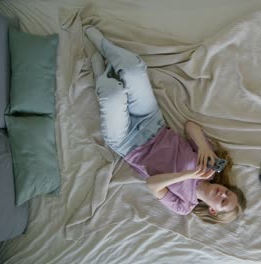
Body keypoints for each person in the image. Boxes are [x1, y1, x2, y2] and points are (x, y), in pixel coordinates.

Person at [85, 27, 246, 224]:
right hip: (153, 122)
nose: (223, 194)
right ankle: (104, 47)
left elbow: (152, 184)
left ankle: (100, 73)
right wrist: (204, 147)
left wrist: (188, 174)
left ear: (213, 211)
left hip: (127, 143)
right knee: (134, 68)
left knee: (113, 94)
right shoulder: (210, 168)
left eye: (223, 202)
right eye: (228, 193)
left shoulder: (184, 206)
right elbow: (190, 126)